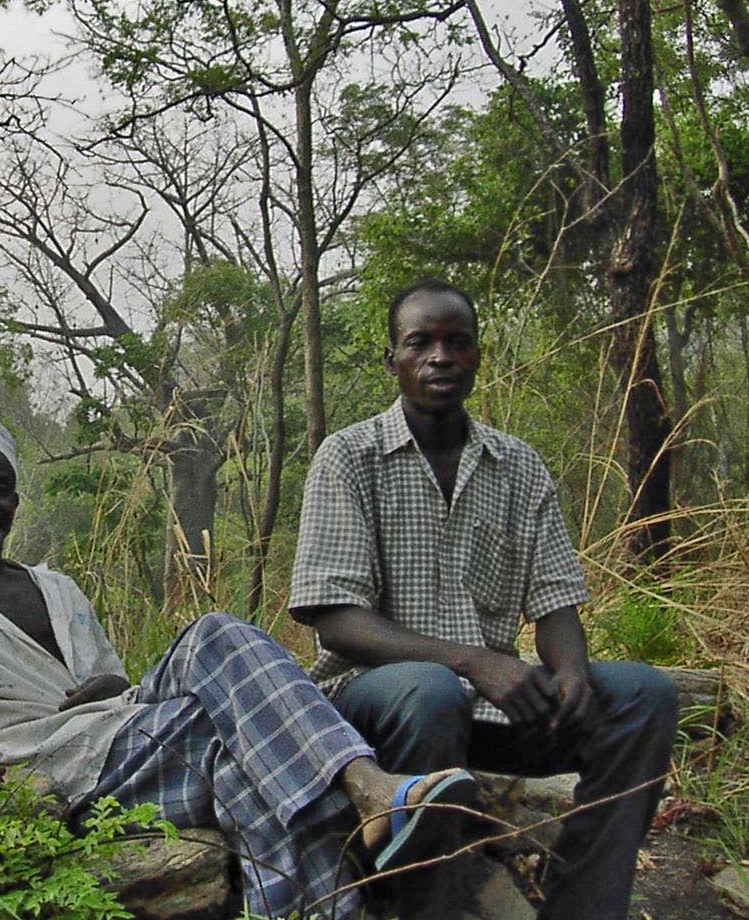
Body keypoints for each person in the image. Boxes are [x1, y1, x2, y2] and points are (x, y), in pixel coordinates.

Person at [0, 413, 479, 920]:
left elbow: (114, 691)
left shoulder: (58, 590)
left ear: (16, 502)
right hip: (47, 770)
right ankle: (366, 790)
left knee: (217, 648)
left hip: (120, 738)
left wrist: (109, 684)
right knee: (233, 734)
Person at [290, 279, 678, 920]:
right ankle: (424, 907)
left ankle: (584, 906)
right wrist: (473, 661)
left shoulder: (518, 466)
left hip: (485, 709)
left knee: (643, 697)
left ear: (476, 356)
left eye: (456, 342)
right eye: (420, 342)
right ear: (394, 361)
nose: (440, 356)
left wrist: (572, 673)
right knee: (429, 688)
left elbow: (556, 602)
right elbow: (334, 621)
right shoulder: (349, 457)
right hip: (368, 710)